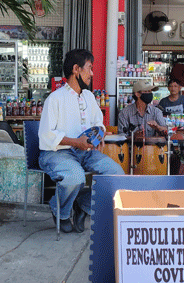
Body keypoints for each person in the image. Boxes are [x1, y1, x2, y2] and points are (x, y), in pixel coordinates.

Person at [38, 49, 124, 234]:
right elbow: (46, 135)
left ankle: (83, 205)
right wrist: (76, 142)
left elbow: (98, 122)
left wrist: (99, 133)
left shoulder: (89, 97)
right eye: (90, 68)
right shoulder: (55, 99)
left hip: (85, 152)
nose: (92, 74)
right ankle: (60, 211)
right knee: (75, 178)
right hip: (57, 153)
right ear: (76, 69)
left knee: (116, 174)